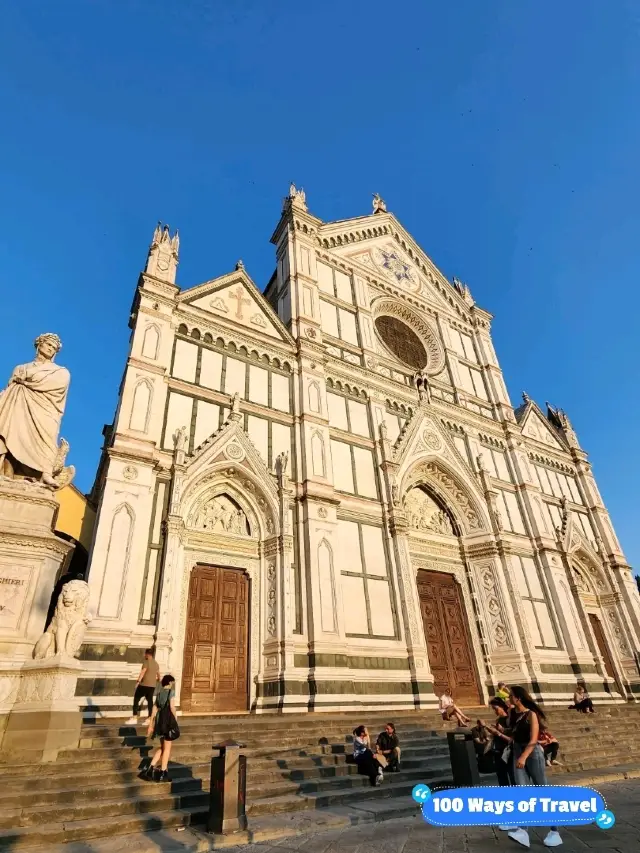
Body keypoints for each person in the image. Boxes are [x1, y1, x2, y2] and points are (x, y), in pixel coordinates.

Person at [507, 685, 562, 849]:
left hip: (532, 753)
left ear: (518, 698)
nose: (508, 698)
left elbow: (533, 739)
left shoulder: (531, 714)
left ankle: (554, 831)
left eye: (511, 696)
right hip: (517, 751)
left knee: (542, 790)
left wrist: (524, 756)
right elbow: (513, 732)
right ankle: (523, 831)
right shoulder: (513, 714)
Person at [141, 674, 180, 783]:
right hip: (167, 721)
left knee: (163, 747)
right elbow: (172, 707)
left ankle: (150, 768)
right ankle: (163, 772)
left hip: (159, 721)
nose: (173, 684)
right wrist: (175, 720)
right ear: (170, 682)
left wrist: (151, 724)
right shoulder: (170, 692)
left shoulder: (159, 693)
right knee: (167, 748)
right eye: (172, 682)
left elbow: (154, 709)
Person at [126, 649, 160, 725]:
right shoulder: (156, 663)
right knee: (150, 701)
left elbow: (143, 672)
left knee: (136, 699)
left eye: (145, 654)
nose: (144, 655)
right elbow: (158, 674)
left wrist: (138, 681)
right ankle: (149, 718)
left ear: (148, 654)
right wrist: (158, 679)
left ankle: (134, 717)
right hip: (152, 685)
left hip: (144, 684)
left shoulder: (146, 662)